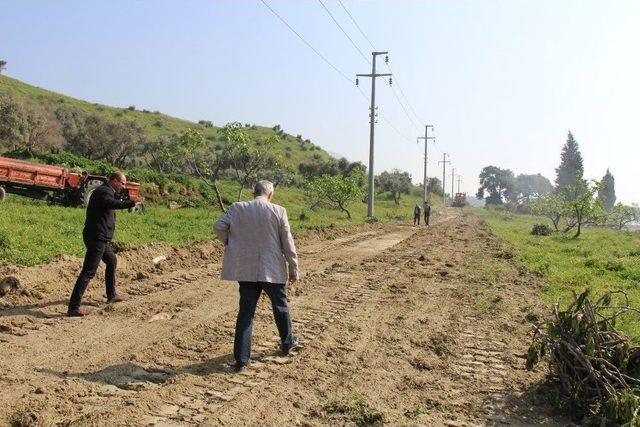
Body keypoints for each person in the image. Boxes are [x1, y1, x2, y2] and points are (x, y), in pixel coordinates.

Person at [214, 180, 299, 373]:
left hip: (246, 269)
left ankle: (242, 359)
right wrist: (293, 268)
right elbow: (288, 243)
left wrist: (230, 241)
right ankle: (287, 343)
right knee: (280, 306)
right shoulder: (279, 211)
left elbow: (218, 226)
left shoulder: (237, 208)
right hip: (272, 269)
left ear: (254, 193)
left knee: (246, 312)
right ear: (270, 195)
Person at [67, 172, 136, 317]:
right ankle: (73, 307)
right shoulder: (104, 191)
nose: (123, 186)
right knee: (88, 271)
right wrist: (130, 203)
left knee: (111, 261)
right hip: (97, 237)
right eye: (122, 183)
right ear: (114, 180)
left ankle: (112, 295)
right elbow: (111, 203)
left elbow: (114, 200)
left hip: (101, 237)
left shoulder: (107, 191)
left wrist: (126, 200)